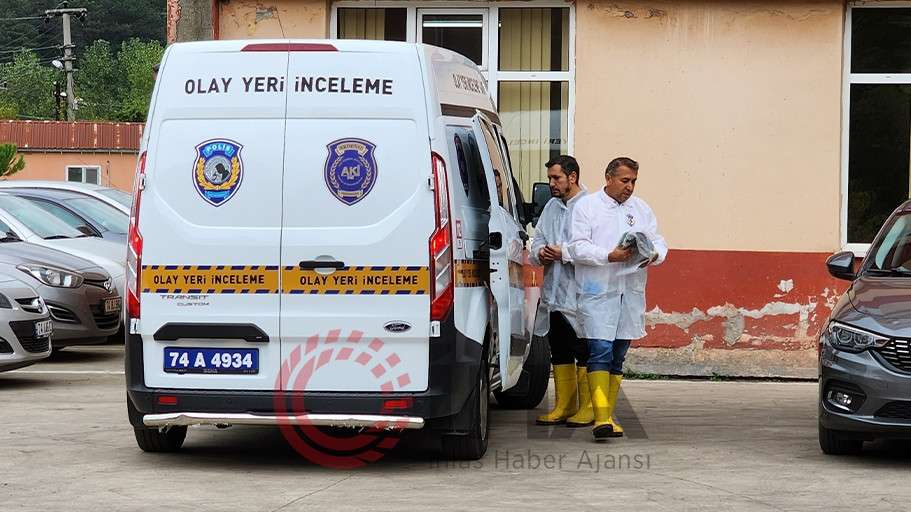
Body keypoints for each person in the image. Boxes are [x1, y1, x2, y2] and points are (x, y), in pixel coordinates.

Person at [568, 157, 667, 441]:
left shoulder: (641, 208)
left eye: (634, 181)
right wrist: (608, 256)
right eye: (625, 181)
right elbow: (577, 247)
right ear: (609, 178)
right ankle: (601, 418)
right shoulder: (587, 207)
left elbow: (658, 241)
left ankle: (607, 415)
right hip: (598, 291)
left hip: (630, 291)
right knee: (600, 350)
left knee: (618, 354)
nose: (630, 187)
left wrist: (654, 254)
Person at [530, 155, 592, 427]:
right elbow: (538, 239)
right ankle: (564, 405)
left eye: (556, 178)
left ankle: (588, 407)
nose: (551, 184)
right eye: (550, 178)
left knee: (585, 350)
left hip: (582, 293)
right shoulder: (552, 207)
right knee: (560, 349)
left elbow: (595, 249)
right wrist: (540, 253)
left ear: (573, 177)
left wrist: (564, 253)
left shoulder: (590, 207)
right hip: (554, 293)